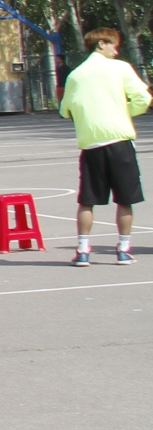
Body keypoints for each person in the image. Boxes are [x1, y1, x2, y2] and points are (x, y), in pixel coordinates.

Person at [61, 27, 149, 264]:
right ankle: (123, 248)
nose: (116, 51)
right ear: (101, 43)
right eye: (113, 45)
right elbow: (143, 98)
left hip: (91, 145)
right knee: (125, 199)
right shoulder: (120, 68)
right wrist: (124, 112)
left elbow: (65, 109)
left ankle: (83, 250)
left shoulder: (76, 75)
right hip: (119, 141)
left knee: (87, 200)